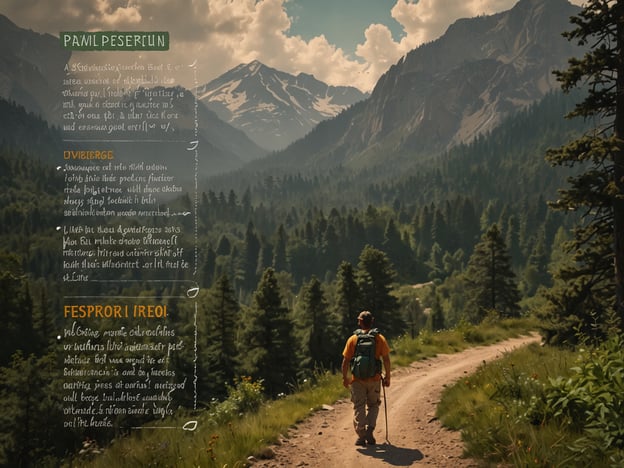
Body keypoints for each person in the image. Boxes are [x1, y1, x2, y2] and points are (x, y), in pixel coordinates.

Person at [341, 310, 391, 446]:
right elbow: (386, 359)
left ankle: (361, 434)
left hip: (357, 380)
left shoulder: (353, 339)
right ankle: (370, 429)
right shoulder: (379, 338)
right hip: (374, 379)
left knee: (359, 406)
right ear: (372, 321)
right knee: (374, 405)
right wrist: (388, 377)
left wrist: (345, 378)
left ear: (360, 322)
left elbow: (345, 361)